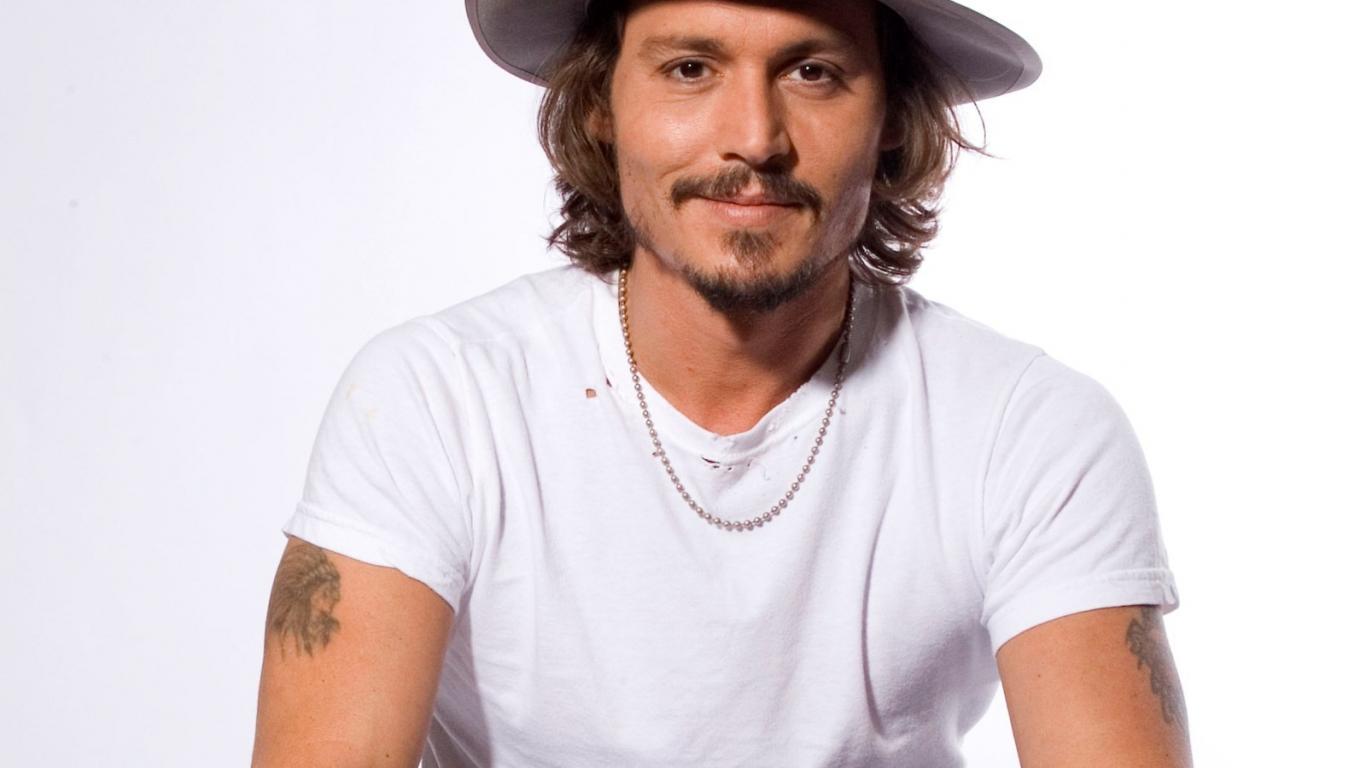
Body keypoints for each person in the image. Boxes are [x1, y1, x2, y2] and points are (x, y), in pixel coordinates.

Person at [252, 1, 1191, 766]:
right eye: (690, 68)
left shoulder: (1029, 429)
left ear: (892, 119)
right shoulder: (438, 399)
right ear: (601, 104)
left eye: (813, 71)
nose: (753, 138)